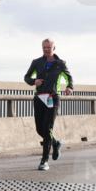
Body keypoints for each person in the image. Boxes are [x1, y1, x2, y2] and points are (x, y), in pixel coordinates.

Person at [23, 38, 73, 170]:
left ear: (54, 48)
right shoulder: (36, 62)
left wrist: (69, 87)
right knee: (40, 129)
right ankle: (55, 143)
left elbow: (69, 77)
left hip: (53, 98)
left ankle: (44, 161)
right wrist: (34, 81)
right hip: (39, 98)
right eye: (44, 47)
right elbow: (26, 77)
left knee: (48, 128)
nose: (46, 50)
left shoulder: (60, 64)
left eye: (48, 48)